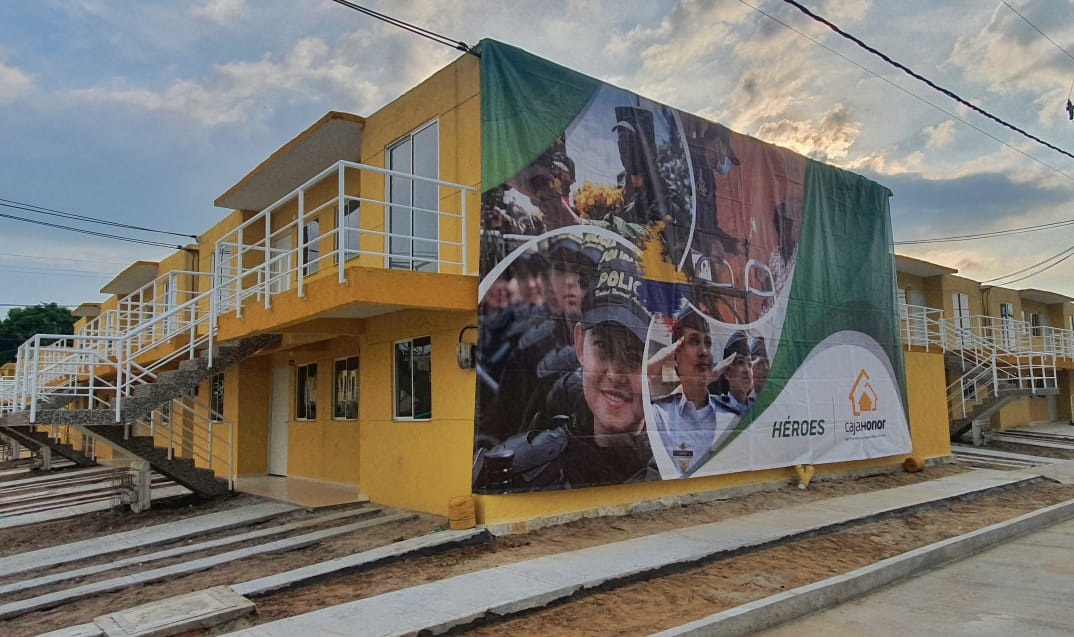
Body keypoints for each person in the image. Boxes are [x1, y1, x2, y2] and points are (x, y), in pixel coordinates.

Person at [473, 243, 657, 491]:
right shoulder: (551, 390)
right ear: (580, 344)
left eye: (634, 357)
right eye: (603, 348)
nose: (614, 373)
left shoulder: (684, 445)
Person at [479, 236, 595, 444]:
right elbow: (500, 422)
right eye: (560, 269)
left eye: (580, 271)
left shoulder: (618, 343)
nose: (569, 281)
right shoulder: (532, 348)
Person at [648, 308, 739, 474]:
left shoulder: (731, 417)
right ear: (675, 355)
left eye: (708, 343)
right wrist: (654, 364)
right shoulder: (658, 415)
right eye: (694, 342)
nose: (704, 352)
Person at [710, 330, 754, 415]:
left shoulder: (759, 406)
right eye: (740, 362)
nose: (747, 370)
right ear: (727, 373)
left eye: (749, 364)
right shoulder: (714, 406)